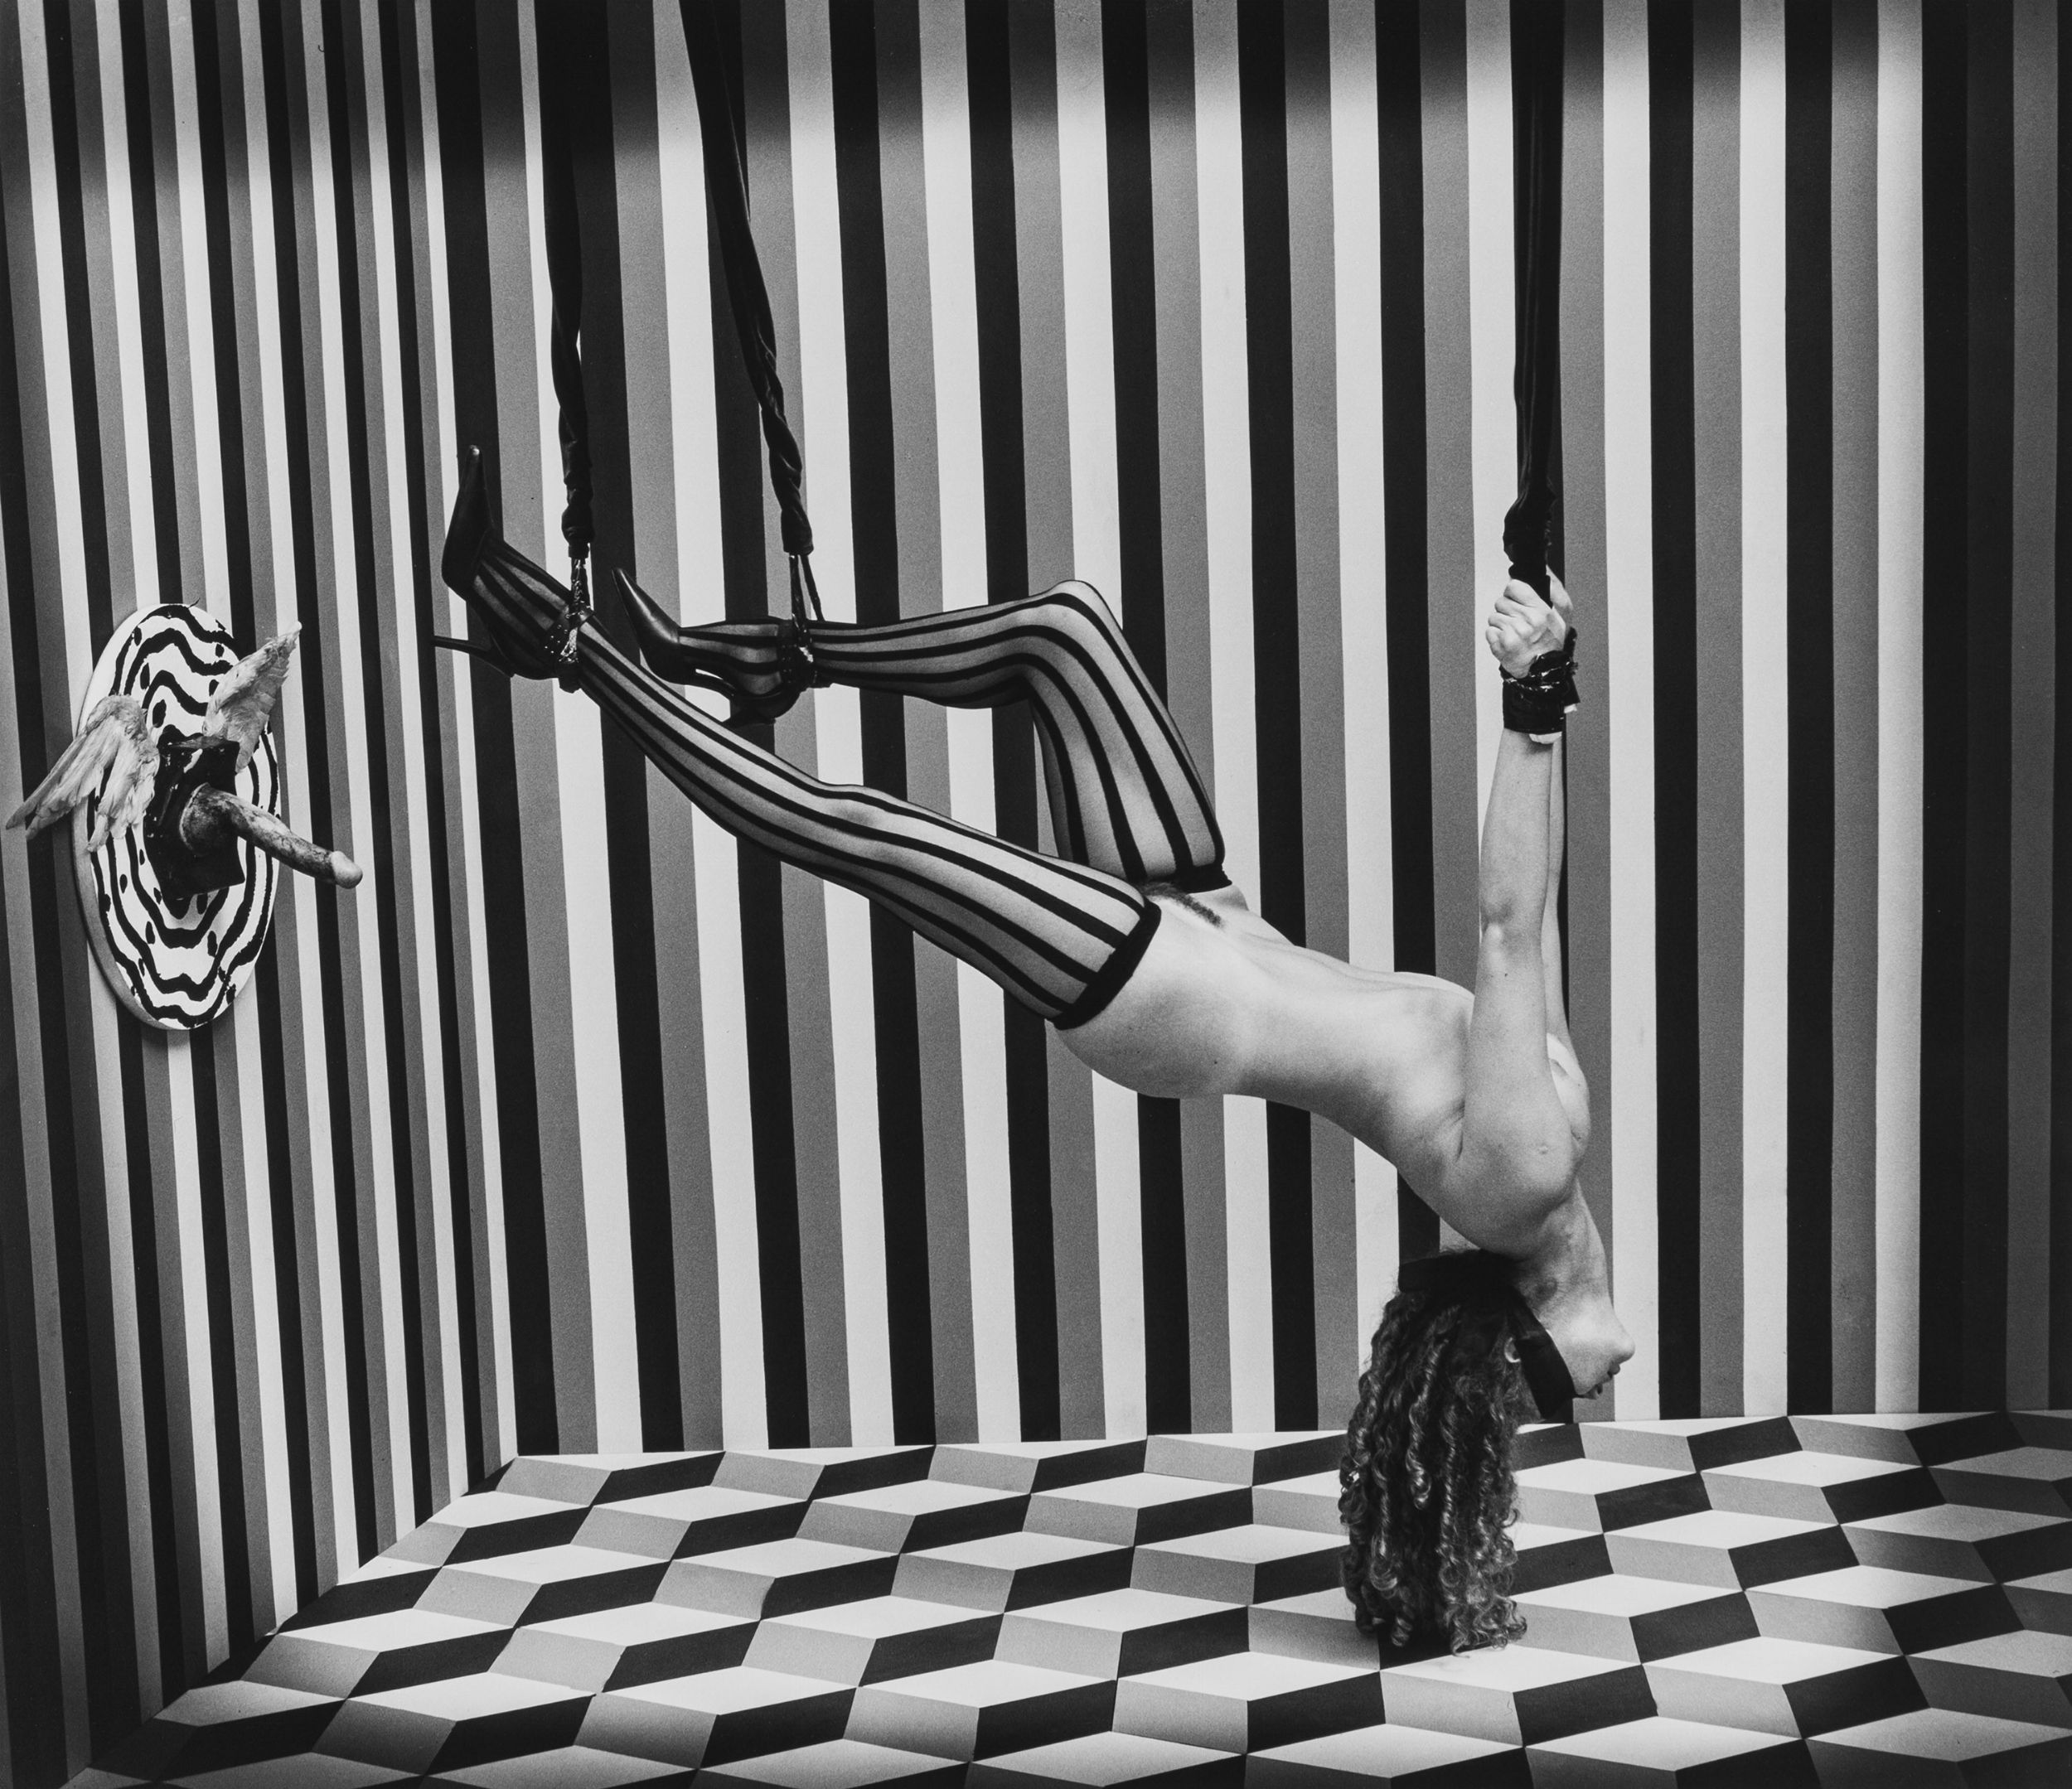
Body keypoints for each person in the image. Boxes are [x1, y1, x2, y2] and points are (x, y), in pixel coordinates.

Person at [440, 446, 1632, 1652]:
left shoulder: (1520, 1181)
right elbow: (1536, 911)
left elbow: (1502, 928)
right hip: (1220, 924)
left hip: (1175, 999)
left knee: (854, 827)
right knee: (1065, 634)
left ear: (1530, 1334)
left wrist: (1534, 700)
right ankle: (766, 660)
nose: (1603, 1380)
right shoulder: (1555, 1141)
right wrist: (1555, 677)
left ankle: (562, 642)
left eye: (1573, 1387)